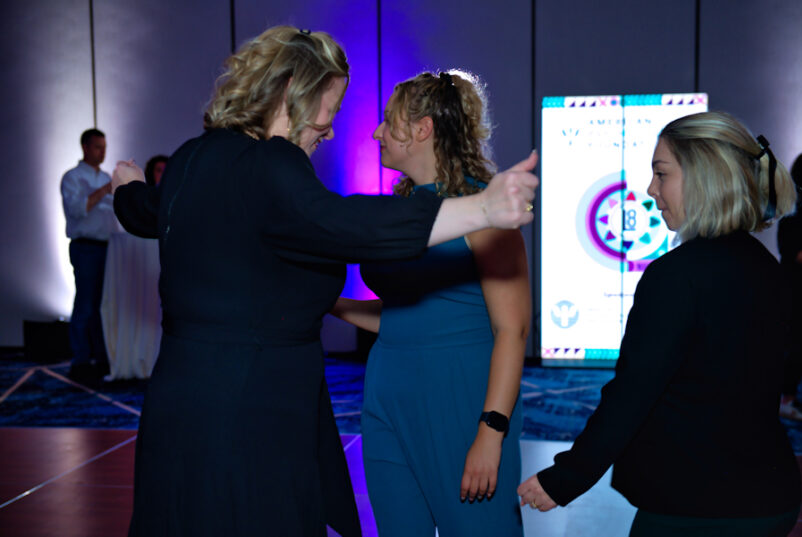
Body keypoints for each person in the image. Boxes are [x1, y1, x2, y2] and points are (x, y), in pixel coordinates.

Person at [111, 26, 537, 537]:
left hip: (181, 404)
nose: (333, 131)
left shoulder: (193, 156)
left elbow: (145, 211)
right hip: (257, 411)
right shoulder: (274, 162)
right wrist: (482, 208)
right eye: (330, 111)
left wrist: (126, 190)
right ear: (294, 92)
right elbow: (341, 223)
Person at [517, 111, 801, 537]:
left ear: (704, 177)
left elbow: (631, 396)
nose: (651, 189)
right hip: (770, 499)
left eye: (661, 173)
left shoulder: (675, 277)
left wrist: (565, 478)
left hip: (695, 508)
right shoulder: (769, 268)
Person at [331, 71, 528, 537]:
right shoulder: (398, 213)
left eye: (388, 120)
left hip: (462, 402)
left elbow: (513, 330)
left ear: (422, 129)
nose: (376, 132)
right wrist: (329, 303)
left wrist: (490, 432)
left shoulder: (484, 208)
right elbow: (405, 318)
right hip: (386, 401)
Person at [60, 128, 117, 384]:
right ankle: (80, 360)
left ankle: (101, 357)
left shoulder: (106, 177)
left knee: (103, 304)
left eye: (104, 147)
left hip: (109, 247)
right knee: (85, 303)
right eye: (97, 147)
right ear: (85, 147)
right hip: (85, 247)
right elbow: (77, 209)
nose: (102, 152)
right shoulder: (72, 177)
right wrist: (104, 190)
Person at [777, 152, 802, 420]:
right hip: (796, 299)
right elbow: (797, 255)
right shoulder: (791, 225)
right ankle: (787, 399)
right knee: (796, 348)